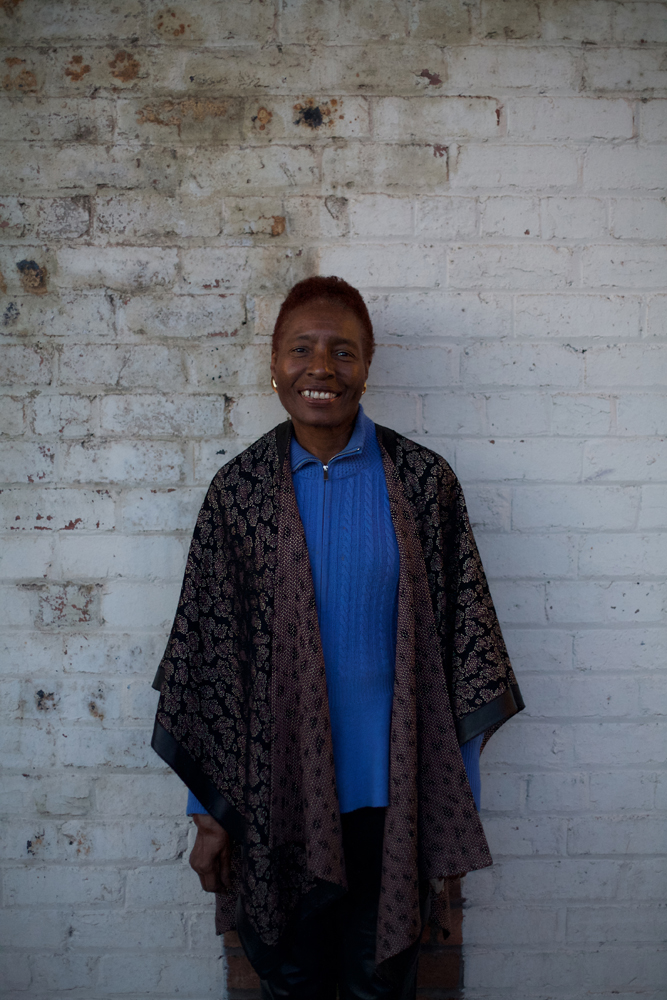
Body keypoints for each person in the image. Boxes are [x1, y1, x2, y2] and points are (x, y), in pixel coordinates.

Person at [151, 275, 524, 999]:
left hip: (396, 800)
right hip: (273, 801)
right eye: (301, 349)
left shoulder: (421, 484)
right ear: (273, 363)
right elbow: (210, 664)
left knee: (381, 983)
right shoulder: (241, 493)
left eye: (342, 351)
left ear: (367, 364)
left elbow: (461, 656)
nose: (320, 368)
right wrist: (207, 815)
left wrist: (455, 806)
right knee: (291, 982)